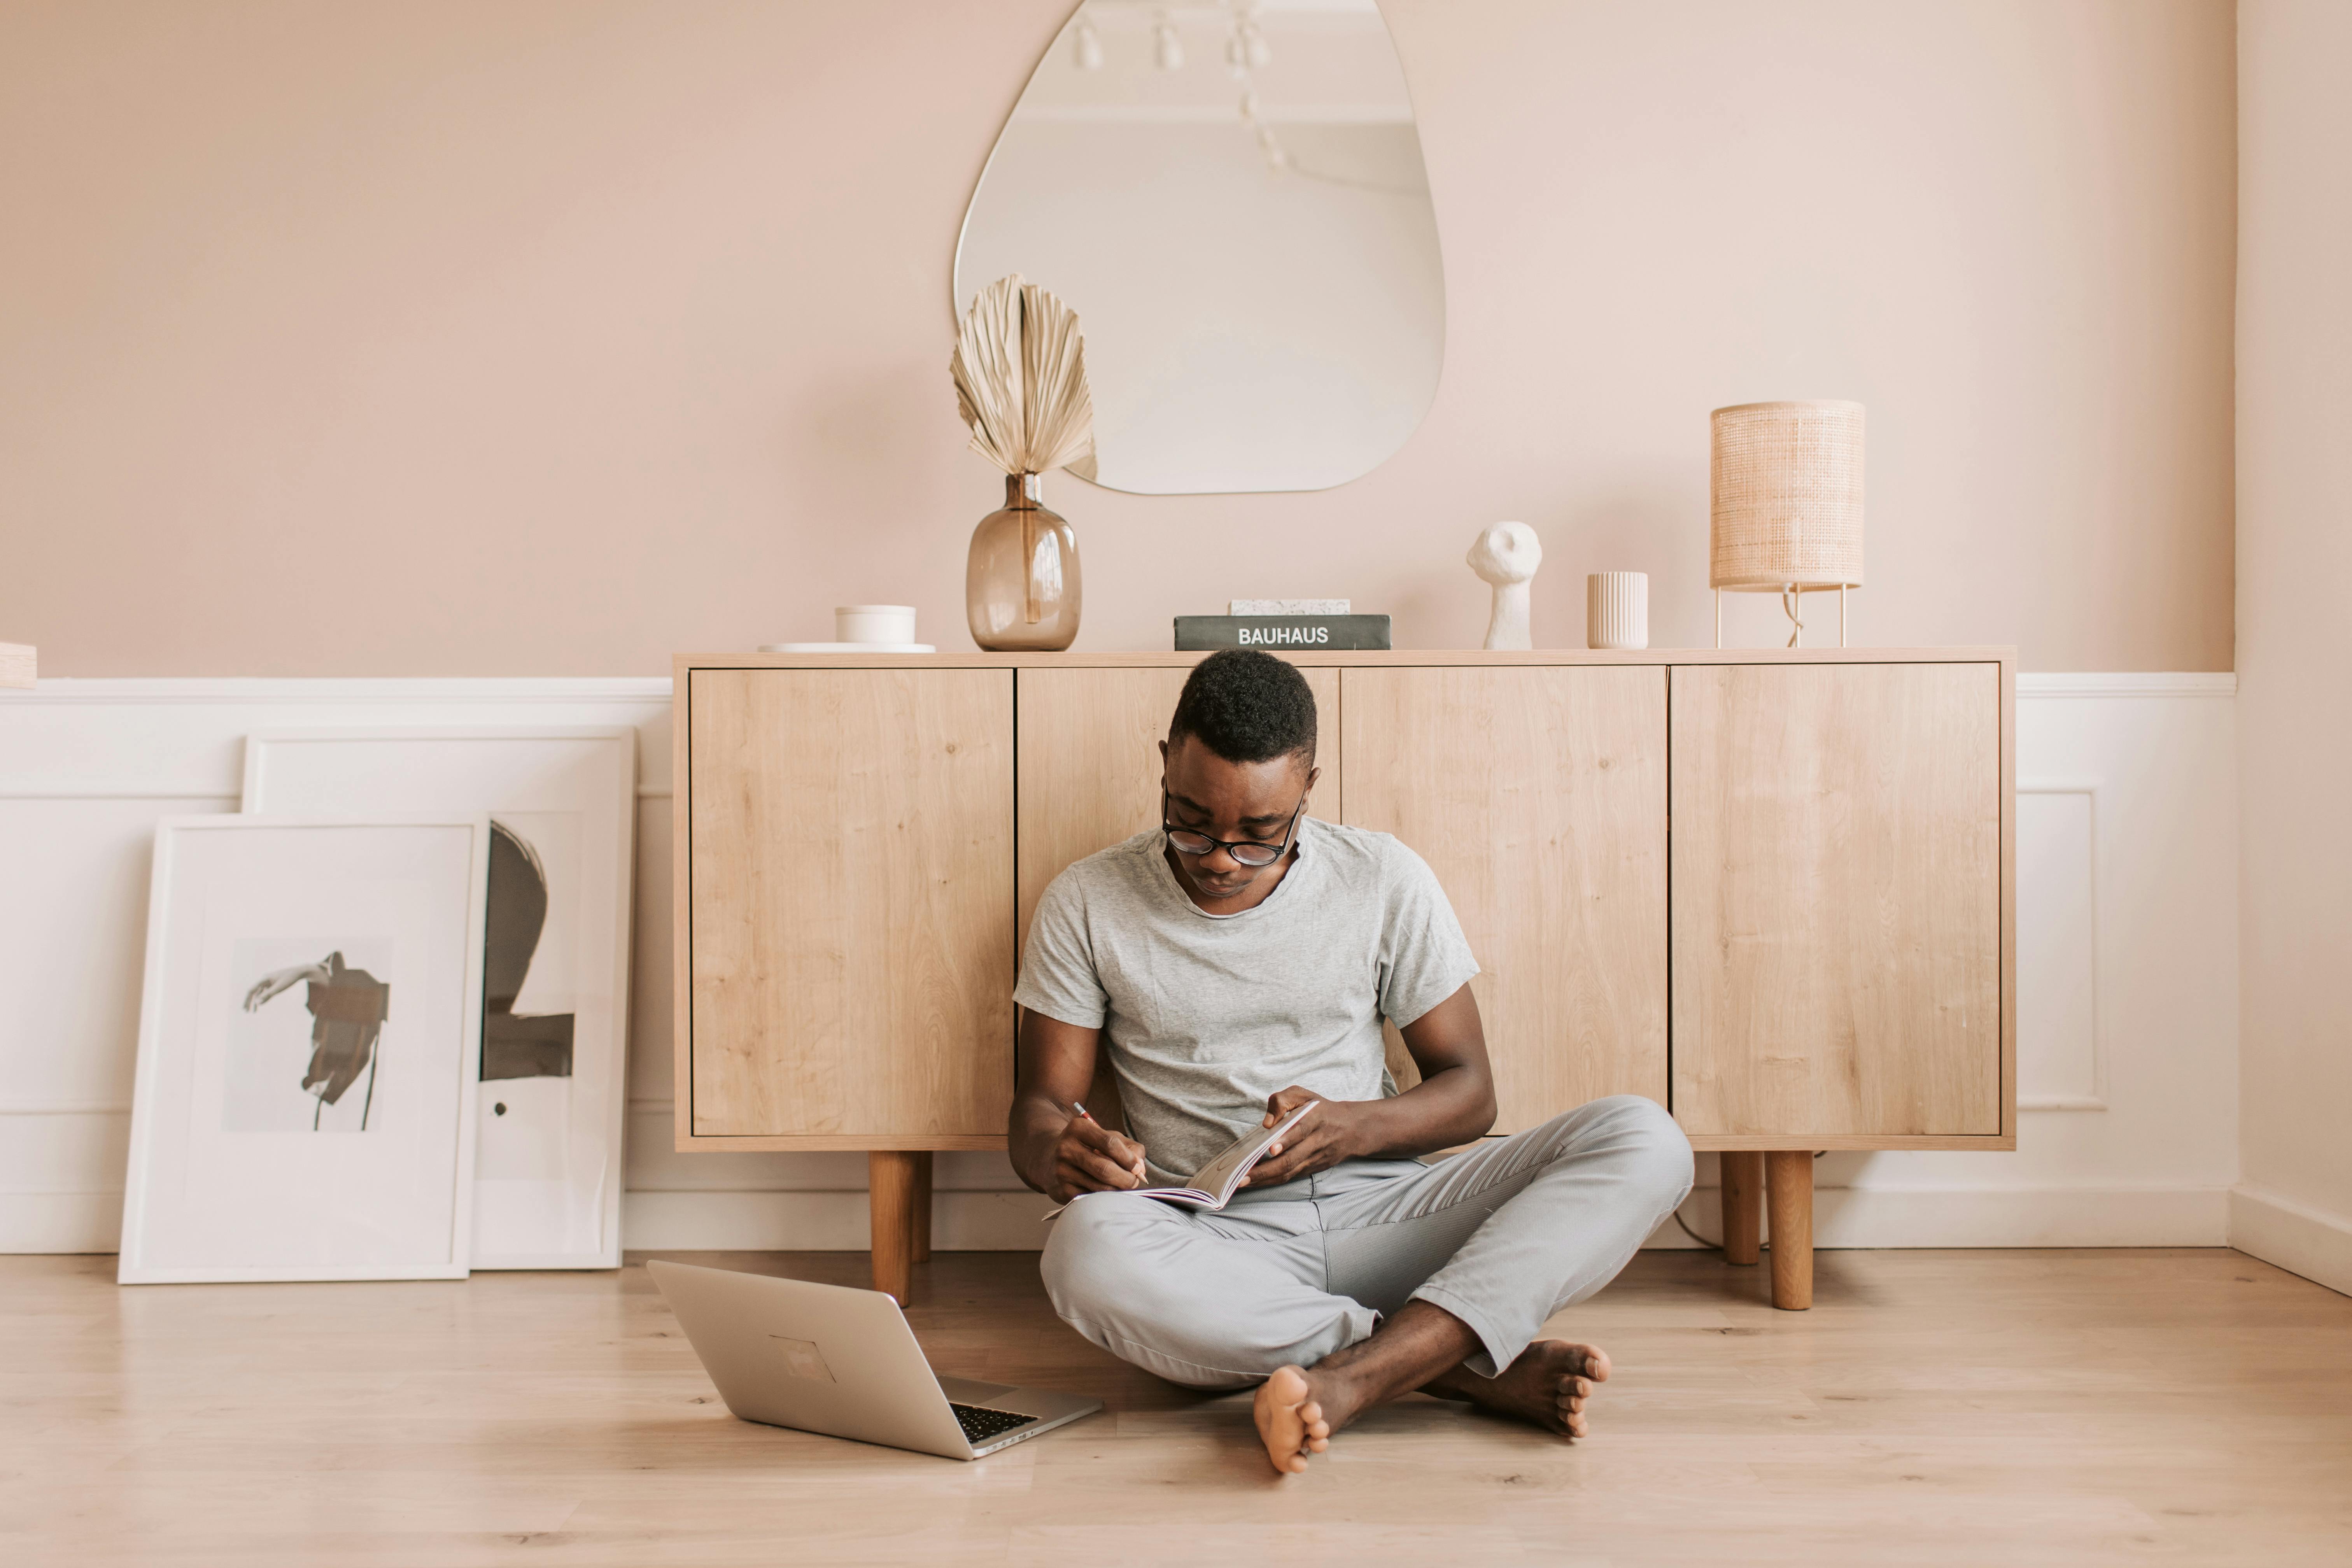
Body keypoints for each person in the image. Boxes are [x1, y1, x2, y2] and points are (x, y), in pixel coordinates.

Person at [1009, 648, 1693, 1475]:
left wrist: (1353, 1129)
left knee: (1646, 1139)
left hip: (1394, 1216)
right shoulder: (1086, 901)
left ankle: (1358, 1376)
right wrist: (1061, 1150)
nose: (1221, 857)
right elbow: (1041, 1107)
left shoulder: (1382, 877)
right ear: (1164, 766)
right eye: (1190, 822)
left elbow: (1473, 1095)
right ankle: (1444, 1366)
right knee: (1082, 1250)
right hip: (1215, 1243)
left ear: (1308, 786)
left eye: (1260, 834)